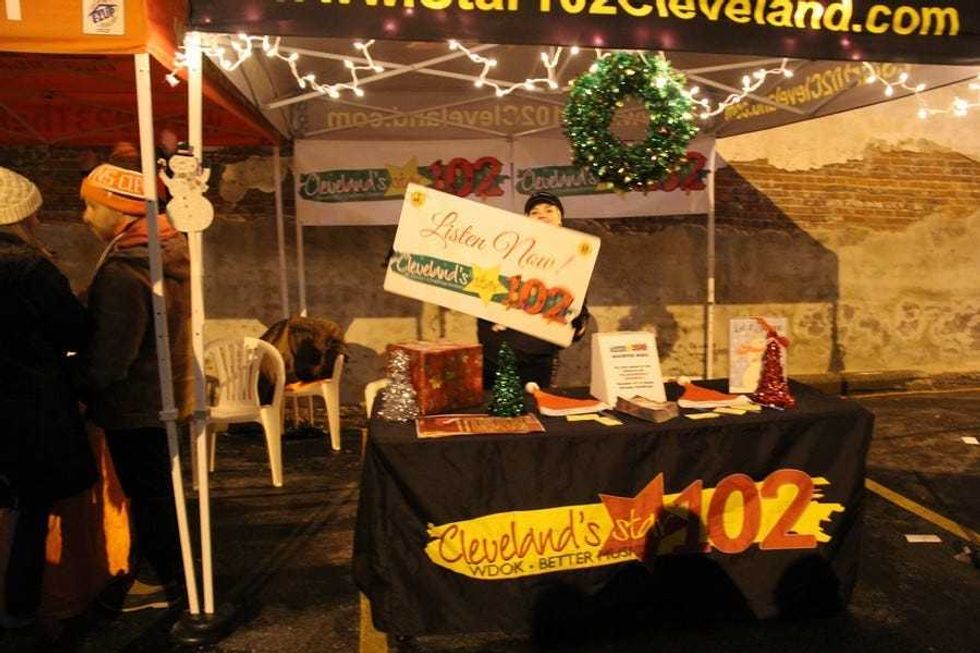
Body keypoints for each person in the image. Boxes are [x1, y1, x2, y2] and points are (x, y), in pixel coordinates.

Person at [74, 163, 192, 612]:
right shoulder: (166, 254)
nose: (85, 216)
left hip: (136, 403)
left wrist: (80, 385)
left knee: (148, 497)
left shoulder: (125, 272)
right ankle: (162, 574)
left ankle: (163, 581)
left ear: (120, 211)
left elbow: (112, 356)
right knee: (160, 493)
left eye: (91, 206)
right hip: (165, 394)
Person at [0, 167, 96, 628]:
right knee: (30, 508)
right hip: (25, 407)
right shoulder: (29, 268)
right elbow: (75, 330)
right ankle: (19, 608)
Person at [478, 191, 591, 389]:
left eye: (549, 210)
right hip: (498, 355)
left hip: (539, 359)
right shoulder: (506, 249)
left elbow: (577, 309)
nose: (542, 215)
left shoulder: (574, 259)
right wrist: (489, 320)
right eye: (534, 212)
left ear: (560, 219)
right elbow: (485, 291)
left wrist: (577, 322)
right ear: (526, 219)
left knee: (536, 406)